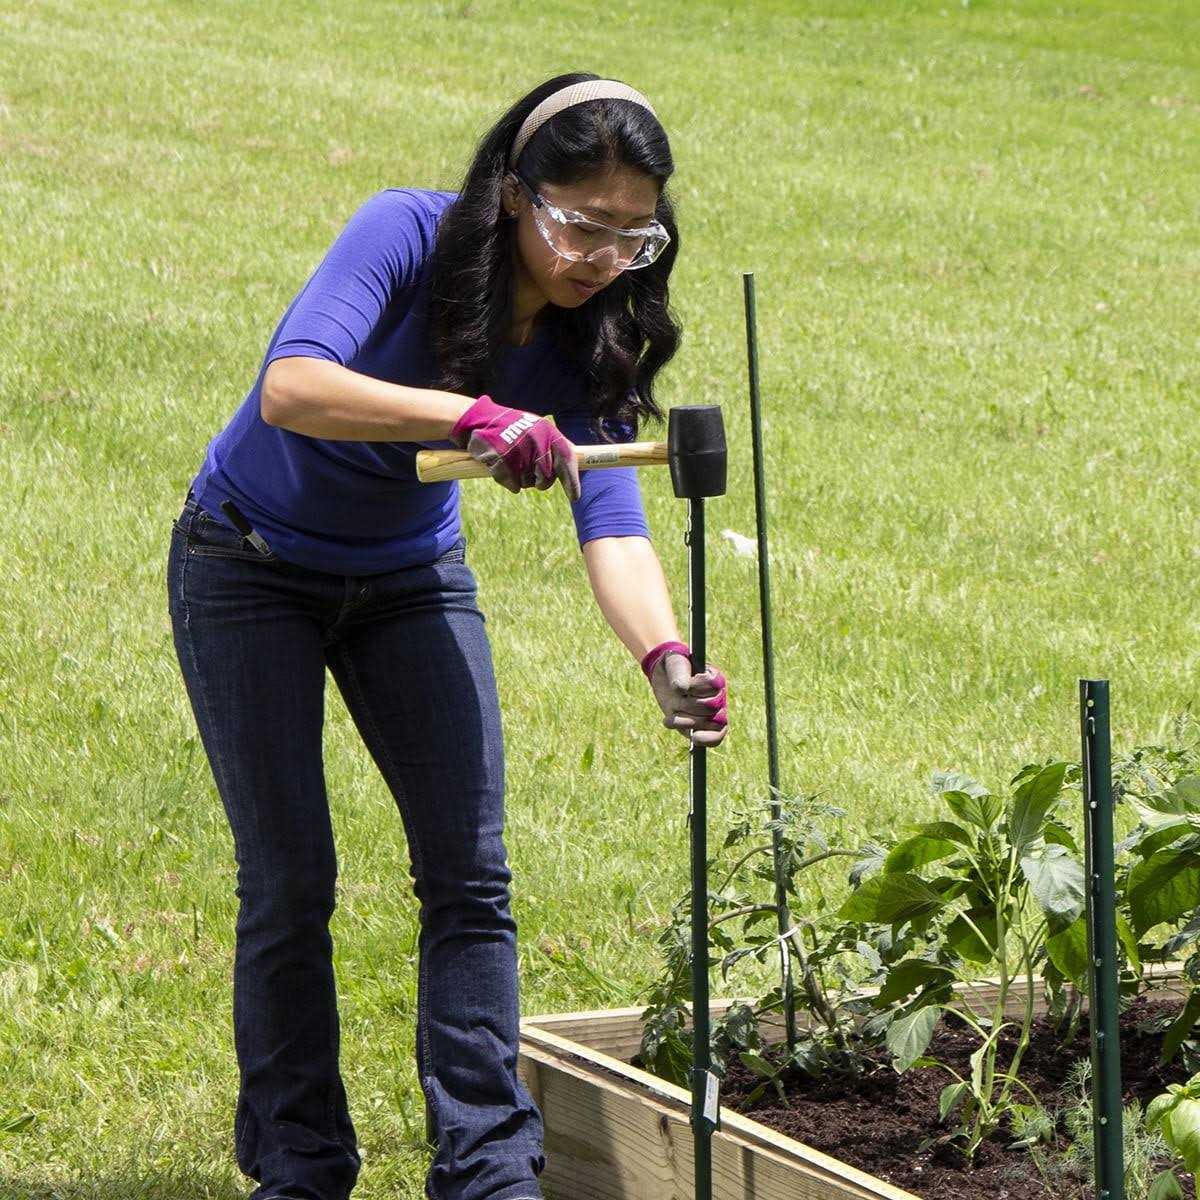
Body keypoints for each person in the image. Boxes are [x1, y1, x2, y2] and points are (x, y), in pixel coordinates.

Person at [166, 72, 729, 1200]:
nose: (597, 257)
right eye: (579, 223)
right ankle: (301, 1170)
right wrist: (470, 412)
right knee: (290, 881)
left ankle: (489, 1174)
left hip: (409, 581)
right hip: (248, 563)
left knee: (471, 876)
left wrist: (664, 659)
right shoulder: (404, 233)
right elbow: (294, 387)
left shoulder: (597, 331)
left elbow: (608, 511)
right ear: (517, 196)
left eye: (632, 236)